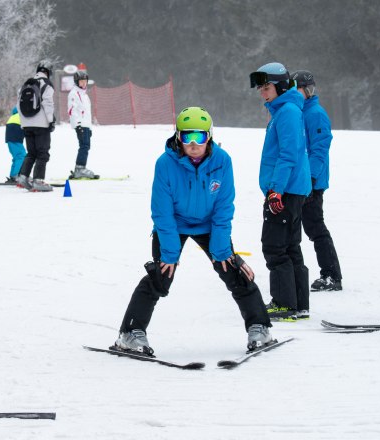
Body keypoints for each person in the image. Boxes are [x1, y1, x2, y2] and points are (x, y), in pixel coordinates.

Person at [114, 107, 273, 355]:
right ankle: (130, 334)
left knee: (232, 270)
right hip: (173, 224)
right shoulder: (165, 164)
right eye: (187, 137)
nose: (193, 144)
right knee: (161, 276)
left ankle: (259, 327)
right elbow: (161, 211)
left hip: (209, 224)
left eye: (199, 137)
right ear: (178, 137)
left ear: (209, 136)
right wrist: (169, 253)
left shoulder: (222, 161)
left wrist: (221, 249)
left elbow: (224, 206)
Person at [249, 62, 311, 321]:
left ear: (281, 86)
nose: (263, 93)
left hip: (284, 191)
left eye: (267, 87)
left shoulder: (286, 112)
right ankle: (298, 304)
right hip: (291, 189)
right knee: (290, 246)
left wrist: (276, 191)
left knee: (275, 247)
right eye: (260, 88)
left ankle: (285, 304)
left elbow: (288, 155)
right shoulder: (286, 110)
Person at [291, 70, 343, 292]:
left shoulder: (315, 114)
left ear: (308, 90)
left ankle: (332, 275)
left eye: (298, 90)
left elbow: (319, 150)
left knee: (314, 226)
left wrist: (311, 179)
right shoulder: (298, 112)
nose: (295, 93)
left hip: (312, 182)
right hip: (300, 181)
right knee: (296, 228)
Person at [17, 61, 55, 192]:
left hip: (26, 124)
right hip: (41, 125)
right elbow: (48, 103)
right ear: (49, 72)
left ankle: (23, 177)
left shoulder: (26, 83)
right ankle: (38, 181)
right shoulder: (47, 84)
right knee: (42, 153)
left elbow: (18, 105)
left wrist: (23, 122)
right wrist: (51, 121)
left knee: (31, 152)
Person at [67, 71, 98, 179]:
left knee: (86, 146)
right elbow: (72, 111)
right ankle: (80, 168)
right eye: (81, 82)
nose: (84, 84)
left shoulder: (84, 95)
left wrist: (89, 127)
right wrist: (78, 125)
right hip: (80, 125)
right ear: (76, 82)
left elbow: (86, 112)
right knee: (84, 146)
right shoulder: (74, 93)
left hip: (85, 125)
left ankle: (81, 167)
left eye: (85, 82)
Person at [3, 107, 26, 184]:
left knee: (17, 157)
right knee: (21, 156)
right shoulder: (22, 116)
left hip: (10, 140)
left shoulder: (13, 117)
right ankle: (16, 176)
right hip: (16, 139)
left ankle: (13, 175)